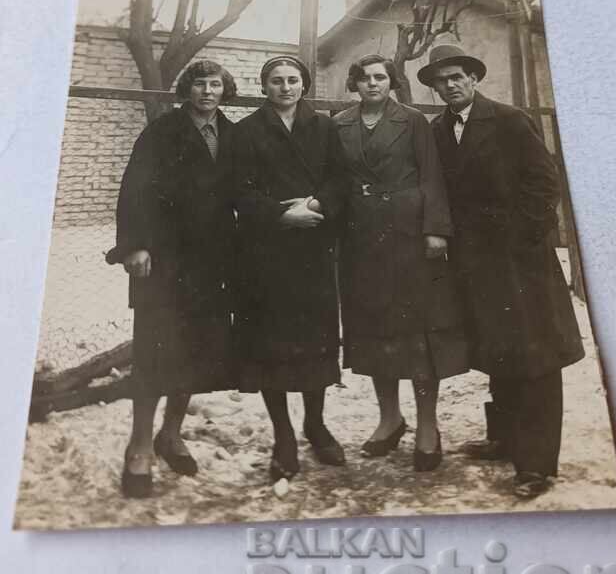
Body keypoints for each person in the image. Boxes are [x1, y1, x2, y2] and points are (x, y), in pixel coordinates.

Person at [418, 42, 585, 499]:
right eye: (441, 80)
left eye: (457, 77)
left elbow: (545, 180)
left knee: (536, 357)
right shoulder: (438, 129)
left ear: (473, 79)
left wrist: (521, 238)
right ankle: (505, 438)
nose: (450, 85)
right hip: (475, 262)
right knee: (498, 348)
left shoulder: (509, 120)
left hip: (520, 261)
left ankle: (536, 464)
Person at [106, 60, 238, 498]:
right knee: (154, 352)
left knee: (194, 350)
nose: (207, 91)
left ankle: (171, 434)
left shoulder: (234, 135)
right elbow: (135, 189)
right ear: (187, 89)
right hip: (163, 261)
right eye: (199, 83)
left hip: (213, 263)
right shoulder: (161, 132)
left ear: (225, 89)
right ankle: (139, 446)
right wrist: (135, 246)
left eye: (215, 84)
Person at [333, 54, 468, 472]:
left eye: (381, 77)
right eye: (365, 78)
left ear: (391, 83)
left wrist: (435, 229)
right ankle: (389, 419)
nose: (372, 84)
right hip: (361, 242)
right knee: (376, 332)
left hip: (409, 239)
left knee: (418, 335)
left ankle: (428, 426)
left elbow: (431, 176)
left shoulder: (412, 122)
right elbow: (334, 180)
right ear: (354, 84)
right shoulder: (338, 124)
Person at [232, 55, 347, 482]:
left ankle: (315, 424)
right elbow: (238, 191)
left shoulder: (325, 128)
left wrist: (317, 205)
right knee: (272, 344)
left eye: (293, 80)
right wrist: (281, 216)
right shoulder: (245, 132)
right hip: (266, 253)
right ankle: (283, 435)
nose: (285, 87)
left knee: (316, 339)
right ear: (264, 87)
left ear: (304, 85)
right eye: (276, 81)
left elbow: (341, 179)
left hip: (314, 246)